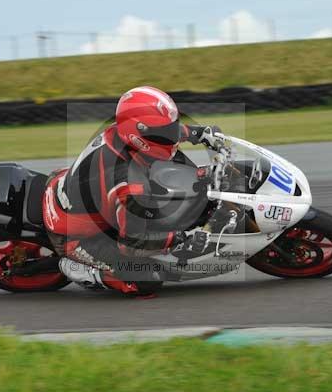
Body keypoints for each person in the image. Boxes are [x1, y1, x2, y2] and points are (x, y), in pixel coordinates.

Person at [44, 86, 218, 295]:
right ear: (138, 135)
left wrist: (198, 133)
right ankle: (70, 267)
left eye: (172, 127)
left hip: (73, 193)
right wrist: (180, 238)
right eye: (166, 132)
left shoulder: (120, 131)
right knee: (148, 279)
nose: (172, 136)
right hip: (77, 236)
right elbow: (132, 242)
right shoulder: (128, 185)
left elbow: (161, 131)